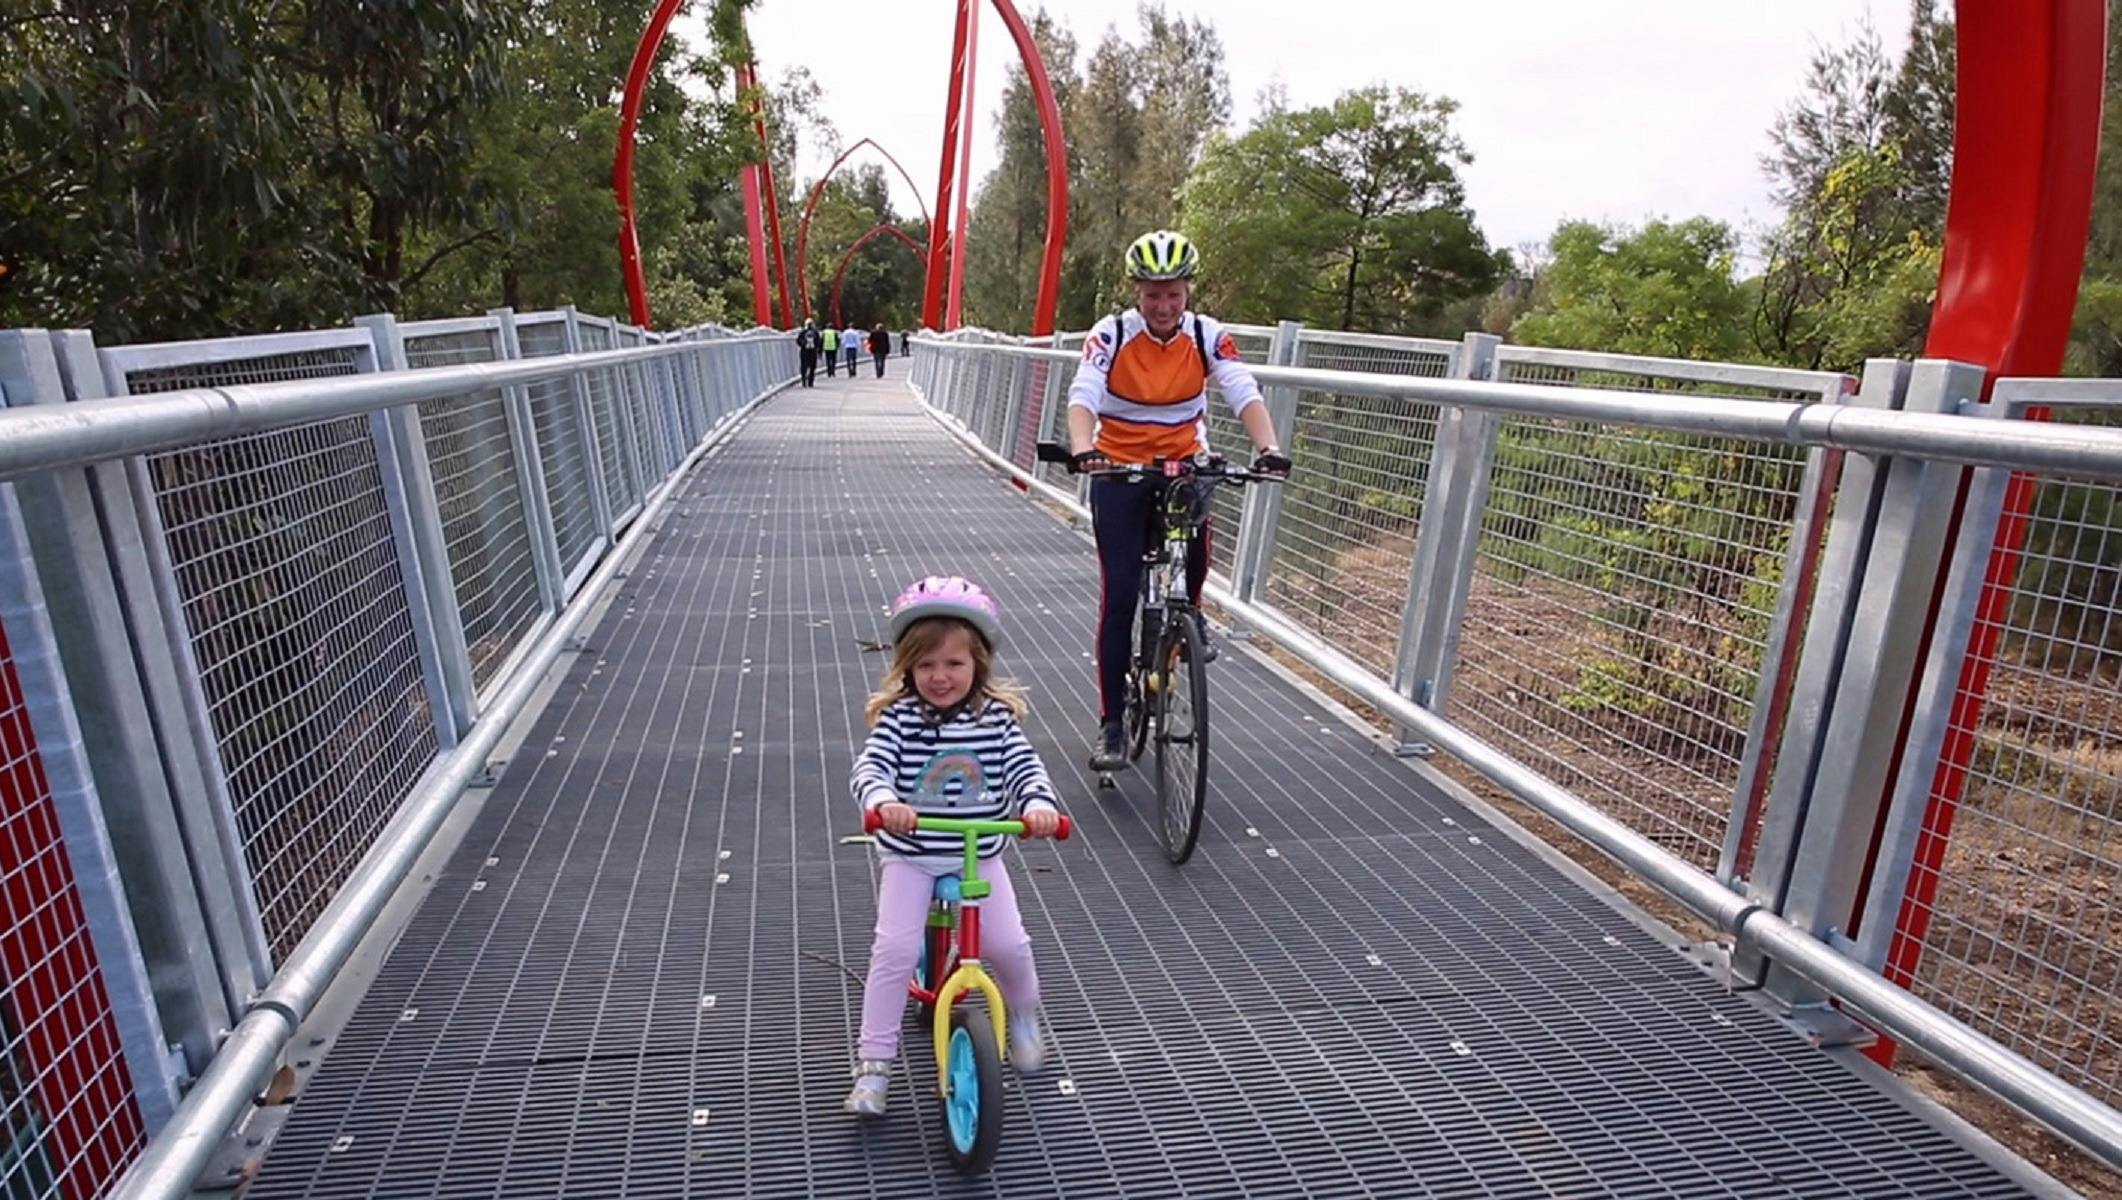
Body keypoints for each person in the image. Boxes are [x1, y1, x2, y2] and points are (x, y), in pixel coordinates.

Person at [1064, 230, 1292, 771]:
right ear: (1137, 292)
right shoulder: (1112, 333)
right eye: (1152, 294)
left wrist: (1270, 448)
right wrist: (1083, 448)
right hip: (1120, 467)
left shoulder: (1208, 335)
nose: (1164, 306)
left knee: (1195, 529)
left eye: (1173, 293)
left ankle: (1190, 613)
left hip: (1184, 458)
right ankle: (1113, 725)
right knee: (1119, 596)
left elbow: (1242, 388)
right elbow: (1083, 395)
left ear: (1189, 290)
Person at [844, 576, 1064, 1117]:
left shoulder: (996, 720)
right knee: (893, 951)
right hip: (912, 853)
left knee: (1009, 945)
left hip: (978, 851)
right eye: (925, 666)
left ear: (979, 664)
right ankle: (874, 1063)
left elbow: (1024, 768)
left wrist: (1038, 805)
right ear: (908, 669)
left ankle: (1025, 1014)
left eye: (954, 664)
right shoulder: (900, 719)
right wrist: (882, 797)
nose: (940, 677)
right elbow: (870, 766)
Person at [794, 319, 822, 387]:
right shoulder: (815, 332)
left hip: (805, 351)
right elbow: (819, 342)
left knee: (805, 366)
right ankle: (809, 382)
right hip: (812, 351)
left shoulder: (803, 332)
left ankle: (805, 381)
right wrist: (818, 351)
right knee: (811, 367)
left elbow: (798, 341)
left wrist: (803, 344)